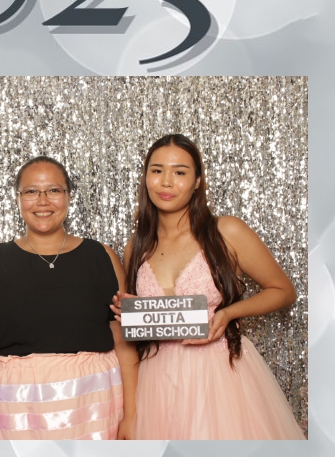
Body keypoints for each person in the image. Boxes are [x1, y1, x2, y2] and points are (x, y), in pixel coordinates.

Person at [113, 134, 304, 441]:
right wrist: (132, 315)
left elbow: (283, 290)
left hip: (219, 375)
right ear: (146, 177)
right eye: (157, 170)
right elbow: (139, 330)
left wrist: (228, 313)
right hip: (157, 379)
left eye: (180, 172)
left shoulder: (226, 231)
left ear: (198, 181)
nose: (166, 182)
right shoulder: (135, 247)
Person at [0, 157, 137, 440]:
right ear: (18, 198)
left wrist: (131, 416)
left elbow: (123, 343)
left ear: (68, 196)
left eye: (54, 190)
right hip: (14, 414)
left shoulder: (102, 256)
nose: (42, 201)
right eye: (31, 191)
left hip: (92, 410)